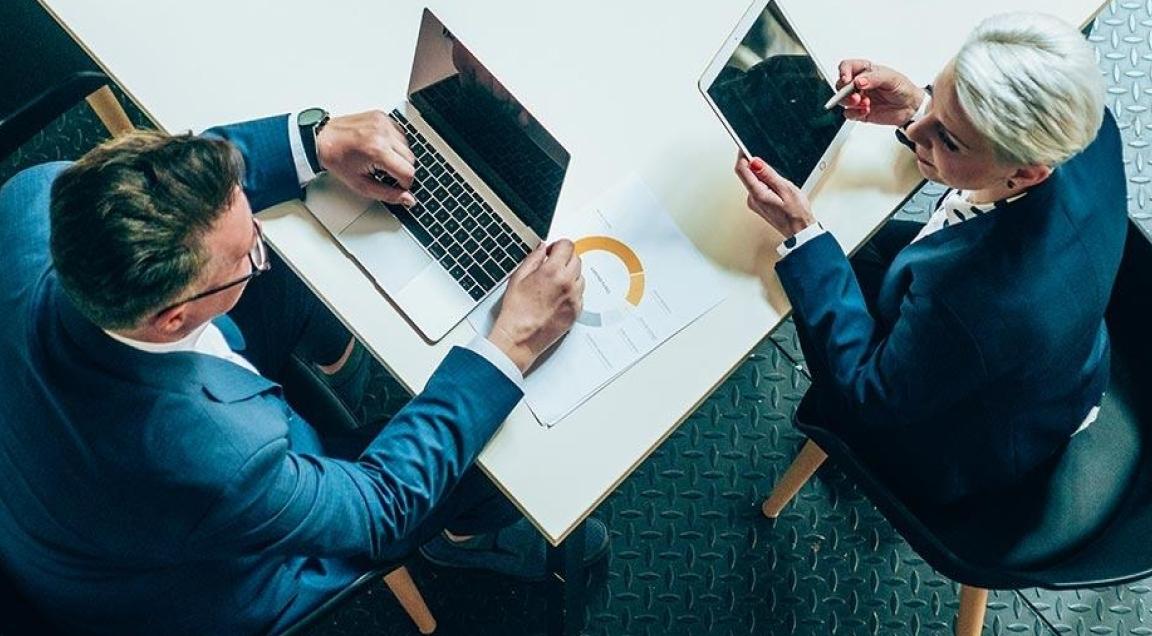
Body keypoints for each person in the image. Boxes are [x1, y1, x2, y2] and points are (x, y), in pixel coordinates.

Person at [0, 109, 608, 635]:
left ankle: (331, 366)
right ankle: (473, 539)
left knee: (283, 267)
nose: (254, 246)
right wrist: (510, 341)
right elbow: (377, 507)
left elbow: (179, 185)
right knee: (490, 454)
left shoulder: (36, 199)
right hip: (195, 586)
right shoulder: (218, 455)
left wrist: (314, 142)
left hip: (54, 492)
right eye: (245, 256)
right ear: (172, 317)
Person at [734, 13, 1126, 506]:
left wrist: (799, 232)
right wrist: (916, 107)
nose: (918, 128)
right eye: (937, 99)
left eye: (949, 138)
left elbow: (867, 394)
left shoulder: (973, 302)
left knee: (812, 268)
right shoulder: (1087, 127)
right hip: (1061, 353)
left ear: (1026, 173)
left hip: (964, 438)